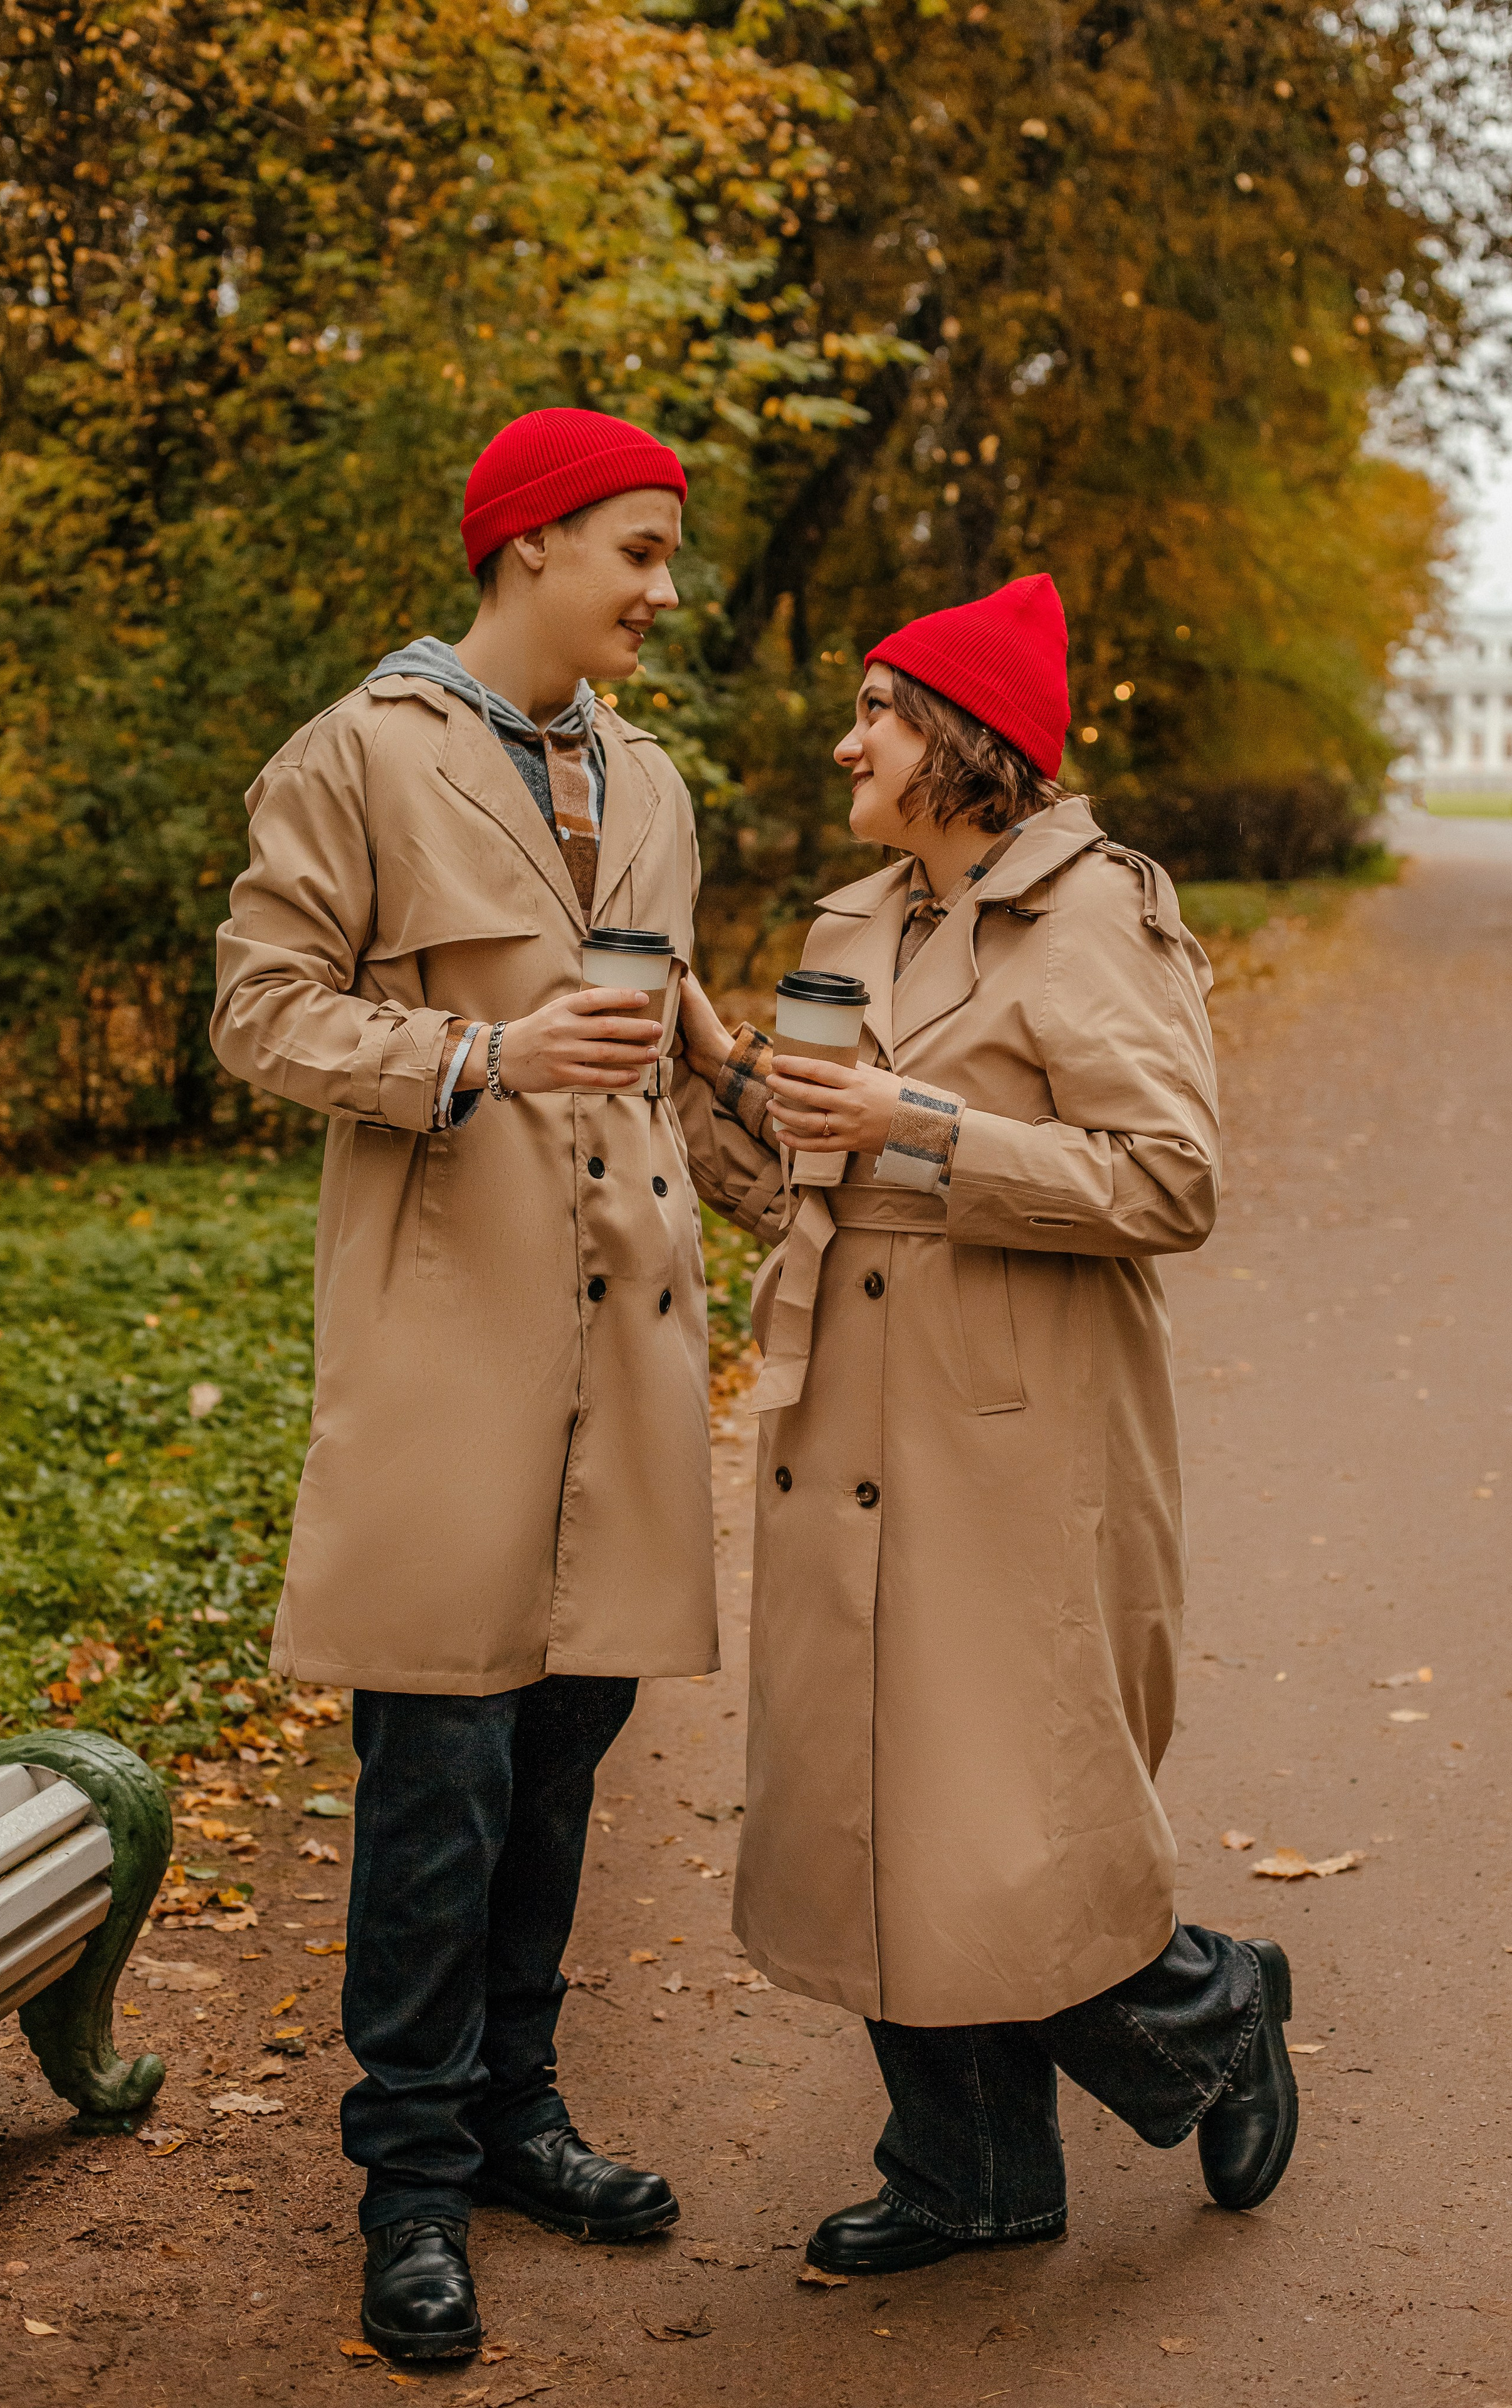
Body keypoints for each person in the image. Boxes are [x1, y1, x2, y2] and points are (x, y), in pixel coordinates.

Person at [672, 574, 1298, 2273]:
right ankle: (970, 2172)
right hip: (842, 1422)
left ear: (963, 736)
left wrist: (920, 1119)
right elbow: (812, 1183)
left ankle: (1216, 2010)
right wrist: (705, 1068)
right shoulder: (848, 924)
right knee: (874, 1810)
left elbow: (1172, 1182)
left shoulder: (1099, 916)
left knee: (1002, 1822)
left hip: (1014, 1444)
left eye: (876, 708)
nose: (846, 737)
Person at [211, 409, 718, 2360]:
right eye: (638, 551)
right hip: (448, 1341)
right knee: (439, 1776)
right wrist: (485, 1055)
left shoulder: (653, 783)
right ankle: (410, 2179)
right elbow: (261, 1012)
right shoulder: (358, 756)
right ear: (527, 548)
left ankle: (519, 2116)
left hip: (635, 1336)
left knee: (565, 1747)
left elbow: (675, 1042)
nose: (663, 592)